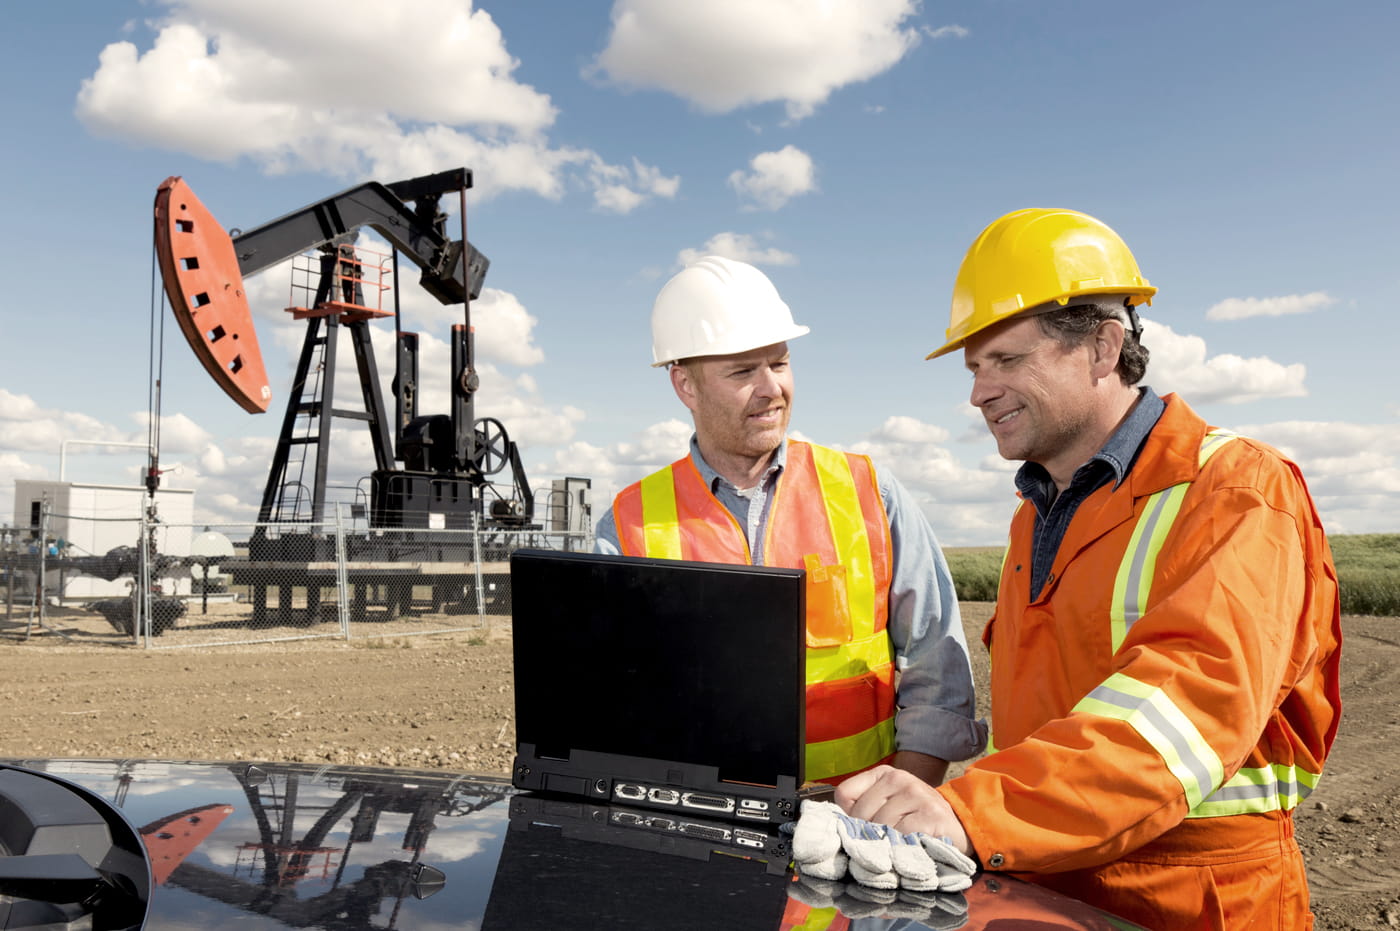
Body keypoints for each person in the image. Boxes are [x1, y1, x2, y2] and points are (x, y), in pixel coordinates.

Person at [834, 208, 1343, 928]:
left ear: (1104, 347)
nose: (978, 391)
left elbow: (1184, 710)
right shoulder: (1034, 514)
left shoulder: (1233, 489)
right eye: (975, 367)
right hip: (1042, 889)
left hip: (1194, 901)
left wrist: (970, 809)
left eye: (1006, 360)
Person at [594, 254, 986, 786]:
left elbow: (936, 665)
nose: (771, 388)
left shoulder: (870, 492)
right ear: (684, 385)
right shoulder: (627, 525)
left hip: (857, 829)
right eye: (741, 371)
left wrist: (901, 804)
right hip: (699, 833)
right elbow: (608, 700)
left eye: (779, 364)